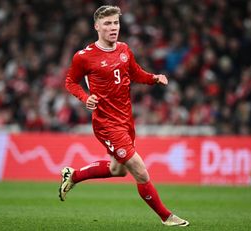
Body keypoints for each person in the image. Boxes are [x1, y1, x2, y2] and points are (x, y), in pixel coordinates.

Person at [59, 5, 189, 227]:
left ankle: (73, 176)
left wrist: (154, 78)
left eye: (116, 23)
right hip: (106, 123)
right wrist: (85, 97)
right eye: (108, 23)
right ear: (97, 26)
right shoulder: (84, 56)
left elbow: (136, 73)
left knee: (117, 170)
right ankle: (166, 217)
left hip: (126, 120)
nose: (113, 28)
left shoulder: (124, 49)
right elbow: (70, 82)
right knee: (140, 171)